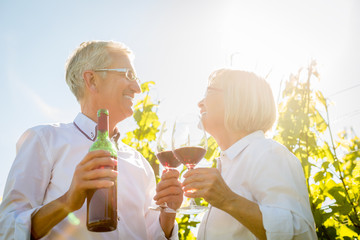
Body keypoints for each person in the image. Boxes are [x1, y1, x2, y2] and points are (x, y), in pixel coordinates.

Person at [0, 40, 183, 240]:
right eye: (128, 75)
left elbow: (153, 236)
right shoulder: (44, 141)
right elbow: (7, 228)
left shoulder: (141, 163)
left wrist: (168, 215)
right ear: (92, 80)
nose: (137, 88)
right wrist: (68, 201)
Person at [181, 69, 317, 239]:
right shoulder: (228, 163)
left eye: (208, 92)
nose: (200, 103)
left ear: (237, 99)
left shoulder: (268, 153)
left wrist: (228, 200)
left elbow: (300, 234)